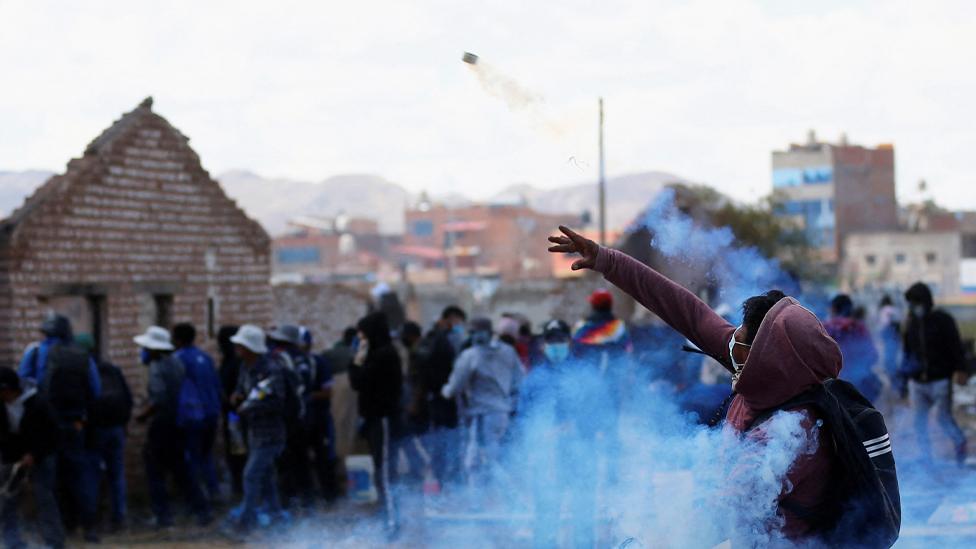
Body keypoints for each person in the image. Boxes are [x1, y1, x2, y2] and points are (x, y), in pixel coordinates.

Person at [548, 226, 842, 541]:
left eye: (740, 341)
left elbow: (718, 518)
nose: (729, 345)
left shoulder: (788, 433)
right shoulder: (771, 372)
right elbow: (684, 309)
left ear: (766, 353)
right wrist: (608, 260)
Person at [519, 320, 603, 548]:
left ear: (569, 342)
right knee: (546, 513)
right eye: (551, 341)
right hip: (547, 457)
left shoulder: (586, 375)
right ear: (543, 345)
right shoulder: (533, 380)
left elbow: (599, 412)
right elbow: (523, 419)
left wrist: (577, 427)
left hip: (581, 453)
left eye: (560, 340)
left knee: (583, 512)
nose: (556, 345)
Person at [18, 314, 101, 542]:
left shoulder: (35, 352)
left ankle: (54, 535)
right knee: (79, 476)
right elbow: (95, 391)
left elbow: (22, 387)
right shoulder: (82, 355)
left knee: (46, 482)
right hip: (74, 424)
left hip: (45, 428)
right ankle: (89, 528)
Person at [133, 326, 211, 528]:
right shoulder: (176, 363)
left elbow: (158, 398)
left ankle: (163, 515)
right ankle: (201, 509)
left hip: (163, 424)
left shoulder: (157, 367)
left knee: (155, 470)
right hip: (179, 423)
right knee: (181, 469)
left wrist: (143, 415)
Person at [441, 317, 523, 487]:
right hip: (502, 413)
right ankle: (491, 498)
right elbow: (520, 380)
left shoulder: (470, 355)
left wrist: (445, 391)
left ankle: (502, 497)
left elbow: (455, 386)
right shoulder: (507, 351)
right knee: (491, 456)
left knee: (478, 460)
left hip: (482, 415)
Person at [901, 282, 969, 465]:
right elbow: (907, 352)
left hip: (940, 380)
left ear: (926, 301)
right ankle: (926, 456)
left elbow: (956, 346)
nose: (914, 307)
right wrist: (903, 381)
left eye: (916, 302)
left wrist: (961, 369)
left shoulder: (943, 320)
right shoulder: (911, 324)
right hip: (917, 382)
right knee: (919, 422)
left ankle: (960, 444)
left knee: (943, 418)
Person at [228, 324, 288, 533]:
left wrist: (250, 407)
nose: (236, 348)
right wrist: (237, 396)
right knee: (266, 476)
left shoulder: (271, 370)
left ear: (249, 347)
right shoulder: (246, 367)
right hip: (254, 432)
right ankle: (276, 515)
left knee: (251, 474)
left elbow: (277, 401)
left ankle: (247, 520)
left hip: (270, 434)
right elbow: (242, 388)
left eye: (240, 345)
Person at [349, 312, 402, 538]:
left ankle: (392, 522)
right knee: (382, 470)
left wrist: (357, 361)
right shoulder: (377, 354)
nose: (361, 337)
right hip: (375, 418)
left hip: (384, 419)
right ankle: (388, 516)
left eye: (363, 333)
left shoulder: (384, 355)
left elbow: (359, 381)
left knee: (385, 472)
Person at [0, 367, 64, 549]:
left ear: (9, 390)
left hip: (42, 455)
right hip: (13, 455)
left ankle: (54, 542)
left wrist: (34, 454)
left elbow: (52, 434)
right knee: (8, 499)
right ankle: (12, 542)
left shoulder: (38, 403)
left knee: (45, 497)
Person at [572, 288, 631, 483]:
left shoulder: (581, 328)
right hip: (612, 388)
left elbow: (575, 357)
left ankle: (586, 474)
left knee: (586, 433)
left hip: (586, 391)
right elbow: (627, 355)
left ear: (593, 305)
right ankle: (612, 478)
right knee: (611, 432)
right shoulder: (618, 328)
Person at [78, 333, 133, 533]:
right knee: (116, 475)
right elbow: (128, 398)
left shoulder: (83, 371)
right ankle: (119, 518)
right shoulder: (112, 369)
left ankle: (92, 522)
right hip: (116, 428)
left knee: (91, 474)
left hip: (94, 430)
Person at [172, 323, 223, 502]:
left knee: (192, 458)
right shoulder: (205, 357)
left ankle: (197, 499)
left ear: (177, 339)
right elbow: (216, 385)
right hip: (211, 412)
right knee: (206, 455)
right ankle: (213, 491)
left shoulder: (178, 359)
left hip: (193, 416)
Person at [267, 324, 314, 510]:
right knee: (301, 461)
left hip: (285, 418)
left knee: (285, 462)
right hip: (303, 415)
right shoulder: (305, 358)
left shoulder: (278, 358)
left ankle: (288, 502)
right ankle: (307, 502)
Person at [418, 306, 466, 486]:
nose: (459, 325)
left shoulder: (451, 339)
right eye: (457, 321)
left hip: (449, 399)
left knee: (450, 442)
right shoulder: (436, 339)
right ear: (448, 319)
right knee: (441, 443)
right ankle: (444, 479)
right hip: (440, 398)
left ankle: (449, 479)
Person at [299, 326, 339, 503]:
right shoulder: (289, 362)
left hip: (319, 417)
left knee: (324, 455)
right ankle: (308, 495)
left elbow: (328, 391)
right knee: (302, 459)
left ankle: (330, 494)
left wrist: (306, 396)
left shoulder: (318, 362)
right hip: (301, 420)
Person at [823, 294, 881, 402]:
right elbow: (873, 355)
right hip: (859, 387)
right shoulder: (859, 327)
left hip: (833, 388)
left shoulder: (825, 328)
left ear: (833, 309)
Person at [217, 325, 246, 496]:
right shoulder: (230, 362)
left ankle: (241, 491)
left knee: (238, 454)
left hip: (236, 416)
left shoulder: (236, 363)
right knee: (236, 453)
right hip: (232, 415)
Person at [324, 327, 359, 466]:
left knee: (337, 422)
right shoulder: (355, 352)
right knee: (348, 424)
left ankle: (338, 458)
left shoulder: (331, 351)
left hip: (336, 384)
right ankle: (343, 457)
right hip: (350, 385)